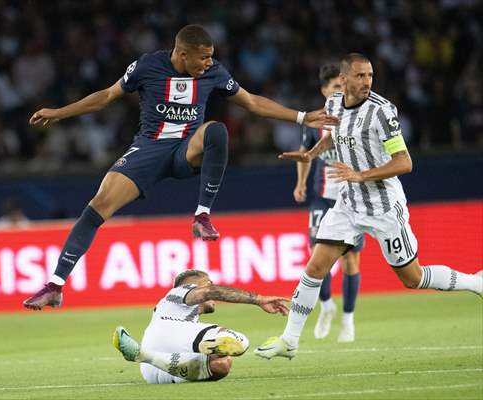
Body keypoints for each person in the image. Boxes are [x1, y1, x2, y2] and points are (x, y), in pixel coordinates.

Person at [23, 24, 338, 310]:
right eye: (202, 58)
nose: (208, 64)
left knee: (216, 130)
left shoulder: (214, 72)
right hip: (148, 149)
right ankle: (55, 285)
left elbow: (252, 102)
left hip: (186, 150)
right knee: (97, 206)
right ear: (182, 53)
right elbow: (106, 96)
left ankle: (202, 214)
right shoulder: (147, 66)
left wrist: (300, 116)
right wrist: (59, 113)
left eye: (210, 58)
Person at [255, 53, 483, 360]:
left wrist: (360, 175)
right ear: (345, 78)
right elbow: (332, 137)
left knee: (412, 279)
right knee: (315, 267)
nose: (366, 82)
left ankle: (474, 282)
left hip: (384, 208)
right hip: (348, 205)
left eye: (370, 76)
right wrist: (310, 154)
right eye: (360, 76)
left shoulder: (382, 112)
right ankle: (290, 340)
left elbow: (405, 162)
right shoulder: (334, 104)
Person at [112, 269, 289, 383]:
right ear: (192, 284)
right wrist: (259, 300)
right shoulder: (179, 292)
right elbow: (210, 291)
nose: (211, 287)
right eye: (208, 282)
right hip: (168, 332)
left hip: (154, 370)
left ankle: (144, 356)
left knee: (222, 364)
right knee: (239, 341)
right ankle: (145, 355)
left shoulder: (177, 312)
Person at [291, 64, 363, 343]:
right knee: (316, 258)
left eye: (343, 86)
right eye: (335, 87)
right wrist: (299, 184)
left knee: (350, 260)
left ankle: (348, 320)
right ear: (324, 90)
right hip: (322, 197)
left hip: (353, 198)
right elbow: (304, 154)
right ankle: (326, 306)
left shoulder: (356, 117)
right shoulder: (316, 121)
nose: (340, 91)